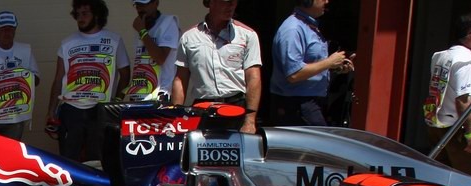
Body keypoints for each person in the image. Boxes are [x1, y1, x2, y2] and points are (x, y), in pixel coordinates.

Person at [48, 0, 130, 162]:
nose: (80, 18)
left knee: (98, 159)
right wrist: (50, 111)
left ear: (97, 14)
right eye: (77, 14)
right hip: (71, 109)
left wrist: (116, 101)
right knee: (68, 159)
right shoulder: (67, 43)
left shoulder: (114, 40)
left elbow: (125, 74)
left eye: (85, 13)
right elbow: (58, 79)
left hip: (100, 109)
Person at [172, 0, 262, 133]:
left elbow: (254, 77)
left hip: (235, 107)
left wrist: (250, 121)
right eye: (226, 1)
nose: (231, 5)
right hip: (202, 109)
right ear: (211, 3)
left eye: (234, 1)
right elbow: (181, 79)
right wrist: (176, 119)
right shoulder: (189, 37)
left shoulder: (247, 35)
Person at [270, 0, 354, 127]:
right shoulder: (293, 29)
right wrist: (329, 62)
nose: (327, 1)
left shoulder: (310, 26)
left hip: (311, 102)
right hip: (296, 104)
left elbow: (311, 65)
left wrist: (335, 67)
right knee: (319, 145)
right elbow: (294, 74)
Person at [423, 13, 471, 177]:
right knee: (468, 181)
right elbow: (463, 100)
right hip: (458, 130)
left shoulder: (440, 56)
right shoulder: (466, 61)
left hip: (437, 126)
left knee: (443, 178)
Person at [0, 11, 40, 139]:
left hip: (15, 116)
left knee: (11, 154)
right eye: (3, 29)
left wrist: (21, 77)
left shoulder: (25, 50)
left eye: (10, 29)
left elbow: (36, 79)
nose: (7, 33)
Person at [123, 0, 180, 102]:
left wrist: (142, 32)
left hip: (159, 94)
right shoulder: (141, 25)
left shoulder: (168, 23)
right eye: (138, 5)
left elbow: (160, 58)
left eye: (144, 4)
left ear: (156, 3)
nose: (141, 9)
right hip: (139, 93)